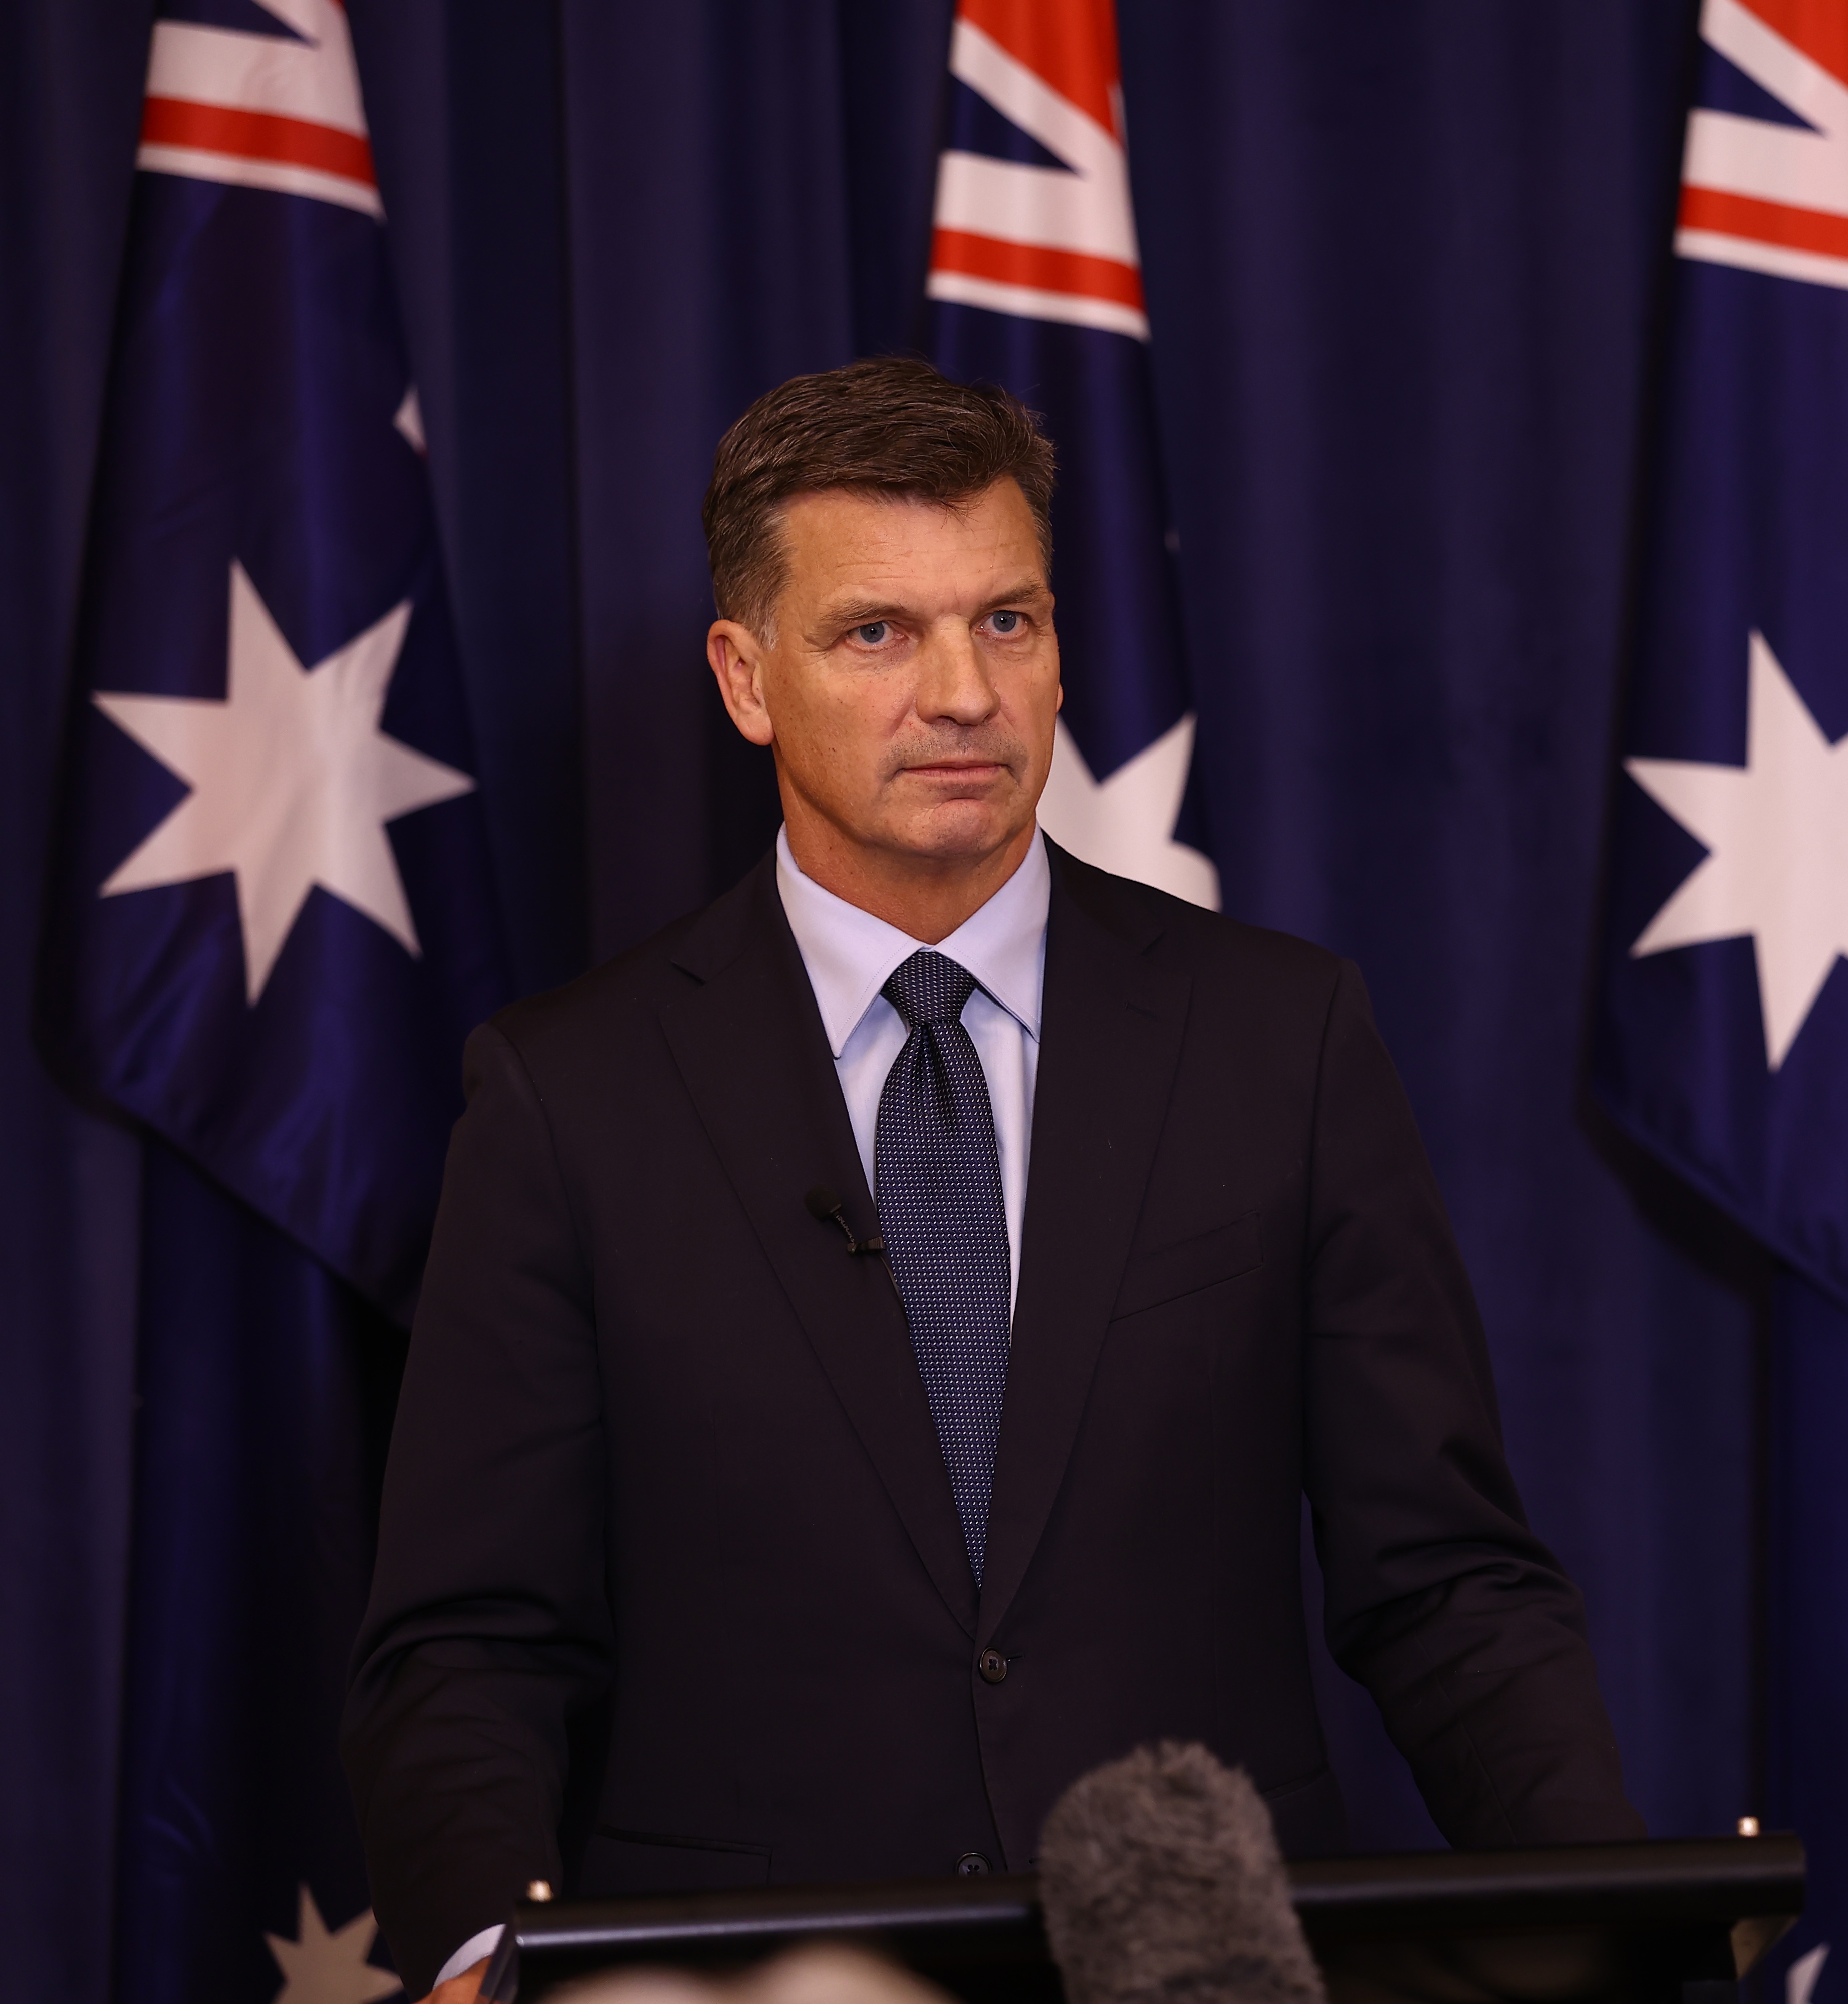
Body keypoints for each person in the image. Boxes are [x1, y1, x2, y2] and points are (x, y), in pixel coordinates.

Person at [342, 357, 1642, 1999]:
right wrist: (485, 1960)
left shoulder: (1277, 1036)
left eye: (1007, 622)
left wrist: (1616, 1942)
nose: (963, 692)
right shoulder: (568, 1096)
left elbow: (1448, 1586)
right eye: (877, 633)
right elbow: (468, 1646)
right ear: (747, 678)